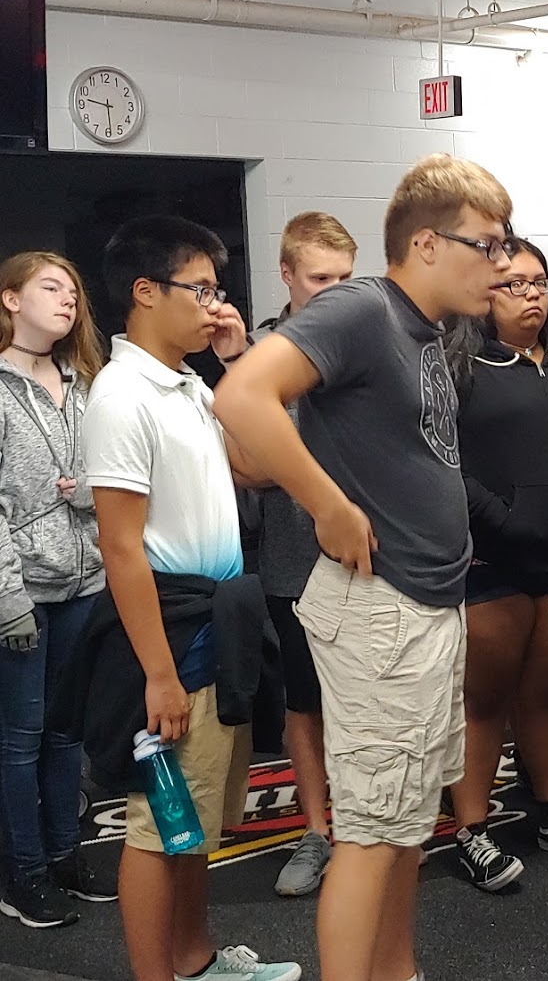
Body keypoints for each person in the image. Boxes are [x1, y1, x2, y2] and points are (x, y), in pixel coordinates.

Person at [213, 155, 512, 981]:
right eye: (485, 245)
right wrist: (326, 505)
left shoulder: (418, 328)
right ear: (425, 242)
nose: (500, 263)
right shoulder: (360, 308)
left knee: (405, 829)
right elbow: (240, 396)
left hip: (420, 608)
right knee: (376, 834)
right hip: (382, 611)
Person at [82, 216, 298, 981]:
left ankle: (197, 960)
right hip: (174, 630)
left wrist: (233, 362)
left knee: (199, 818)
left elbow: (256, 468)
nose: (215, 303)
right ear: (145, 293)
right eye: (199, 288)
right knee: (158, 822)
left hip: (220, 618)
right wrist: (160, 674)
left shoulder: (188, 383)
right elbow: (120, 545)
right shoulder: (120, 395)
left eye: (217, 289)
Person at [443, 237, 548, 893]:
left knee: (544, 696)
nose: (531, 294)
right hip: (492, 560)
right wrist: (498, 519)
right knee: (484, 701)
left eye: (538, 282)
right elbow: (442, 457)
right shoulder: (460, 365)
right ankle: (471, 828)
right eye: (513, 284)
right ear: (484, 292)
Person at [0, 252, 111, 929]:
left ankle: (66, 857)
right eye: (50, 288)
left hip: (84, 581)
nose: (67, 300)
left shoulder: (87, 382)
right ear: (11, 300)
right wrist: (6, 598)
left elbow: (112, 474)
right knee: (21, 739)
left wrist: (92, 493)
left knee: (68, 735)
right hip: (22, 588)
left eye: (73, 290)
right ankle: (25, 873)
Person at [249, 212, 356, 898]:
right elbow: (248, 459)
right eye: (321, 279)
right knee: (306, 706)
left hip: (371, 562)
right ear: (287, 275)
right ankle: (316, 832)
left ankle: (368, 831)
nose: (335, 292)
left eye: (346, 278)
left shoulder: (369, 343)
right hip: (294, 563)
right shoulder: (259, 356)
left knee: (367, 707)